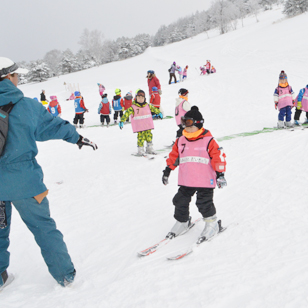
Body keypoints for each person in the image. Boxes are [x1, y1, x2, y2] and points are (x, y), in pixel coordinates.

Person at [0, 57, 98, 290]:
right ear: (8, 78)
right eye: (16, 76)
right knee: (43, 228)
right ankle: (65, 276)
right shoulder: (25, 105)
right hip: (25, 182)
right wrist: (77, 137)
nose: (18, 79)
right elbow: (52, 126)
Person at [162, 106, 227, 242]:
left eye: (189, 123)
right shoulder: (181, 141)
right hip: (187, 179)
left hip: (204, 180)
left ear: (198, 123)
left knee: (203, 203)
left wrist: (220, 174)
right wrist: (167, 170)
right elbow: (174, 156)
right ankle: (182, 222)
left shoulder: (209, 141)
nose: (186, 127)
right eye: (184, 123)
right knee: (179, 200)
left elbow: (218, 158)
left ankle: (212, 224)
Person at [119, 89, 163, 156]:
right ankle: (140, 150)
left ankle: (149, 148)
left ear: (144, 99)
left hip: (148, 126)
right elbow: (126, 113)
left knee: (149, 137)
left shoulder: (148, 106)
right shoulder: (133, 107)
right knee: (141, 138)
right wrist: (122, 121)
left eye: (142, 98)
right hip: (140, 127)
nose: (140, 99)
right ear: (136, 98)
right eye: (138, 97)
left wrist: (159, 112)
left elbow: (154, 109)